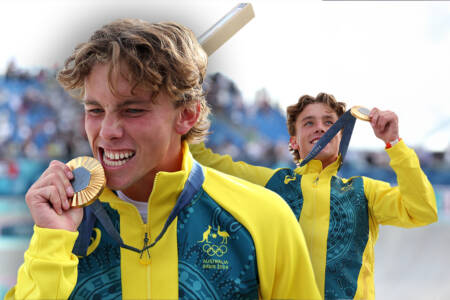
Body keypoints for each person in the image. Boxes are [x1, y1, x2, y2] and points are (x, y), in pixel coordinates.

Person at [5, 19, 321, 300]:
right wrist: (52, 242)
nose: (108, 131)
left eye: (133, 110)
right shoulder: (64, 226)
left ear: (186, 115)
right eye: (95, 110)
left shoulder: (264, 218)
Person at [190, 92, 438, 299]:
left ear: (341, 136)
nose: (320, 127)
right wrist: (188, 105)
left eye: (330, 123)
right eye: (308, 122)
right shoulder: (271, 182)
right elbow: (201, 161)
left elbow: (423, 210)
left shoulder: (365, 191)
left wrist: (394, 143)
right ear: (294, 142)